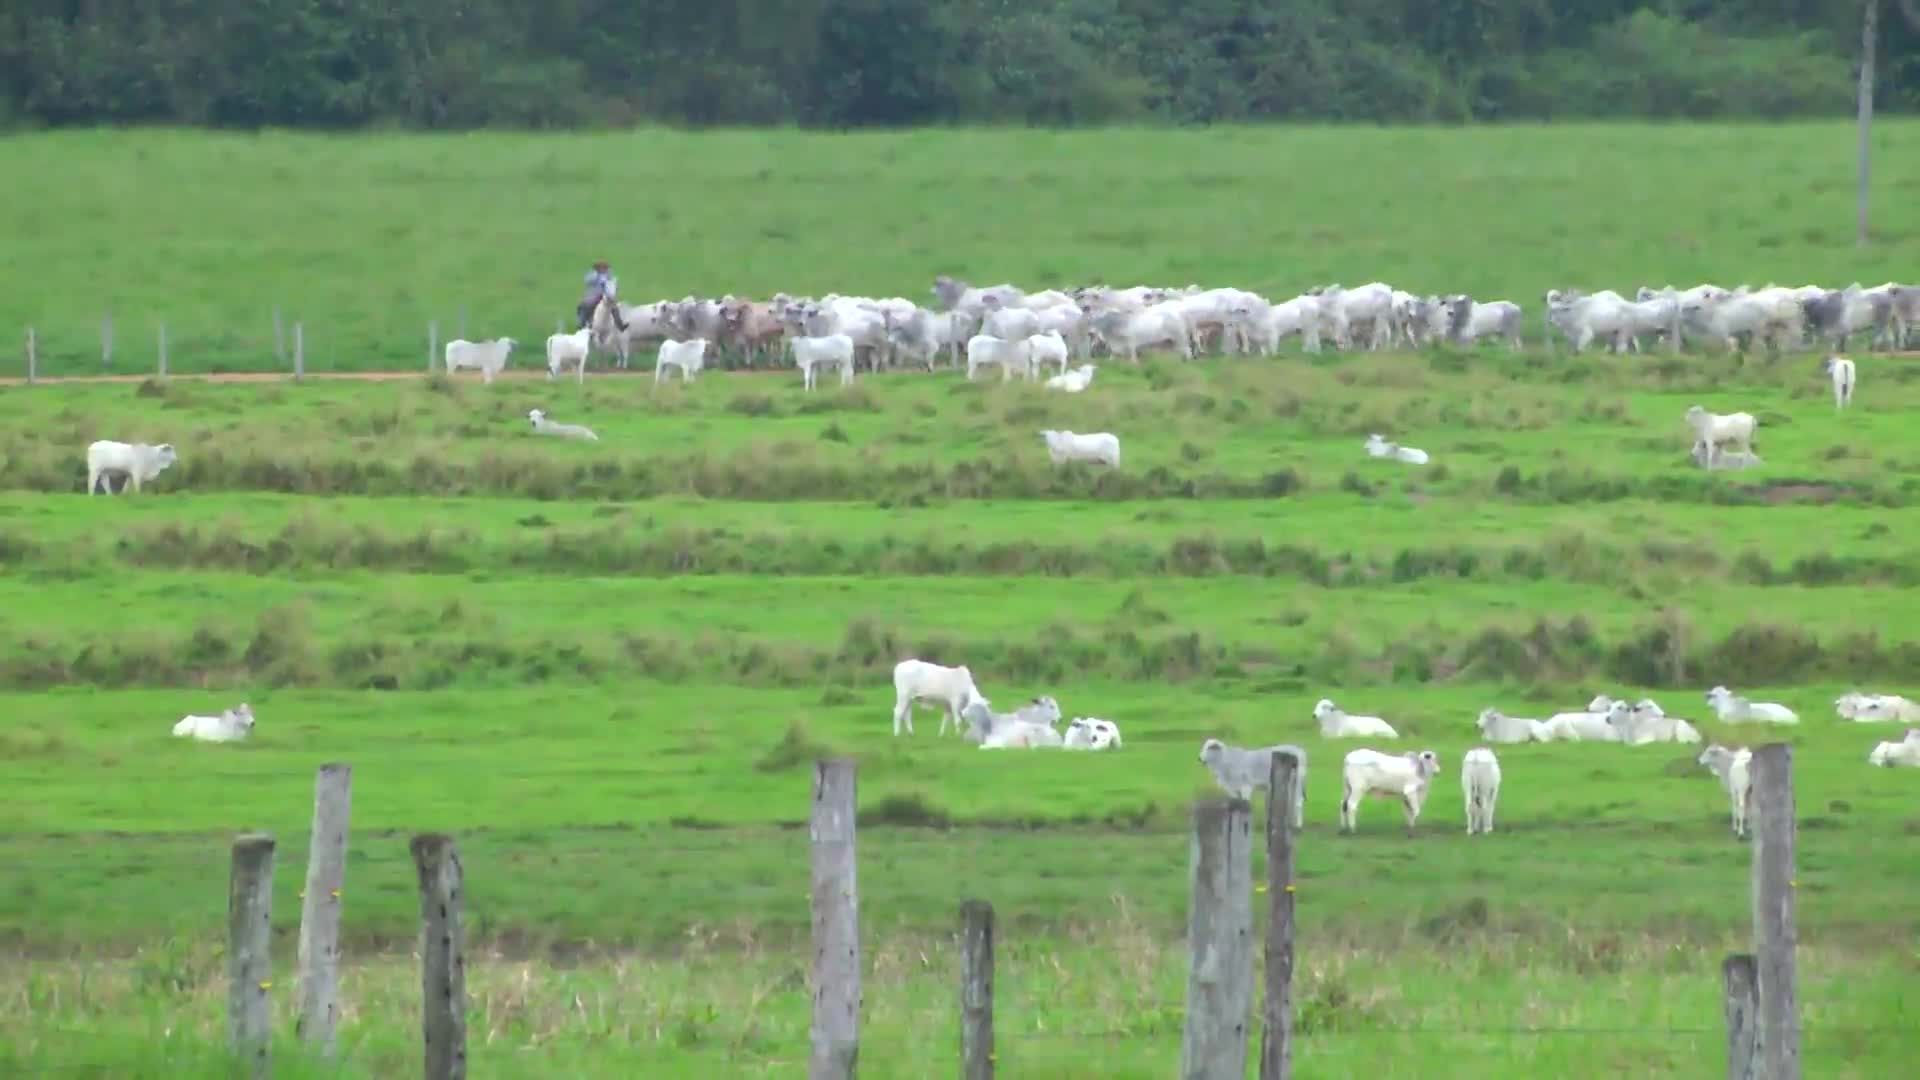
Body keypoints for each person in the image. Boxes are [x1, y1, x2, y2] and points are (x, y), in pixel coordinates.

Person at [578, 260, 627, 331]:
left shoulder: (609, 275)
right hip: (595, 295)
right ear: (597, 269)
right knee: (584, 306)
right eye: (602, 268)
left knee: (615, 308)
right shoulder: (593, 275)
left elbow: (613, 285)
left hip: (606, 296)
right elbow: (587, 281)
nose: (604, 269)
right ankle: (582, 323)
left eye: (605, 268)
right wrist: (598, 277)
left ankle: (620, 324)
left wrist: (614, 287)